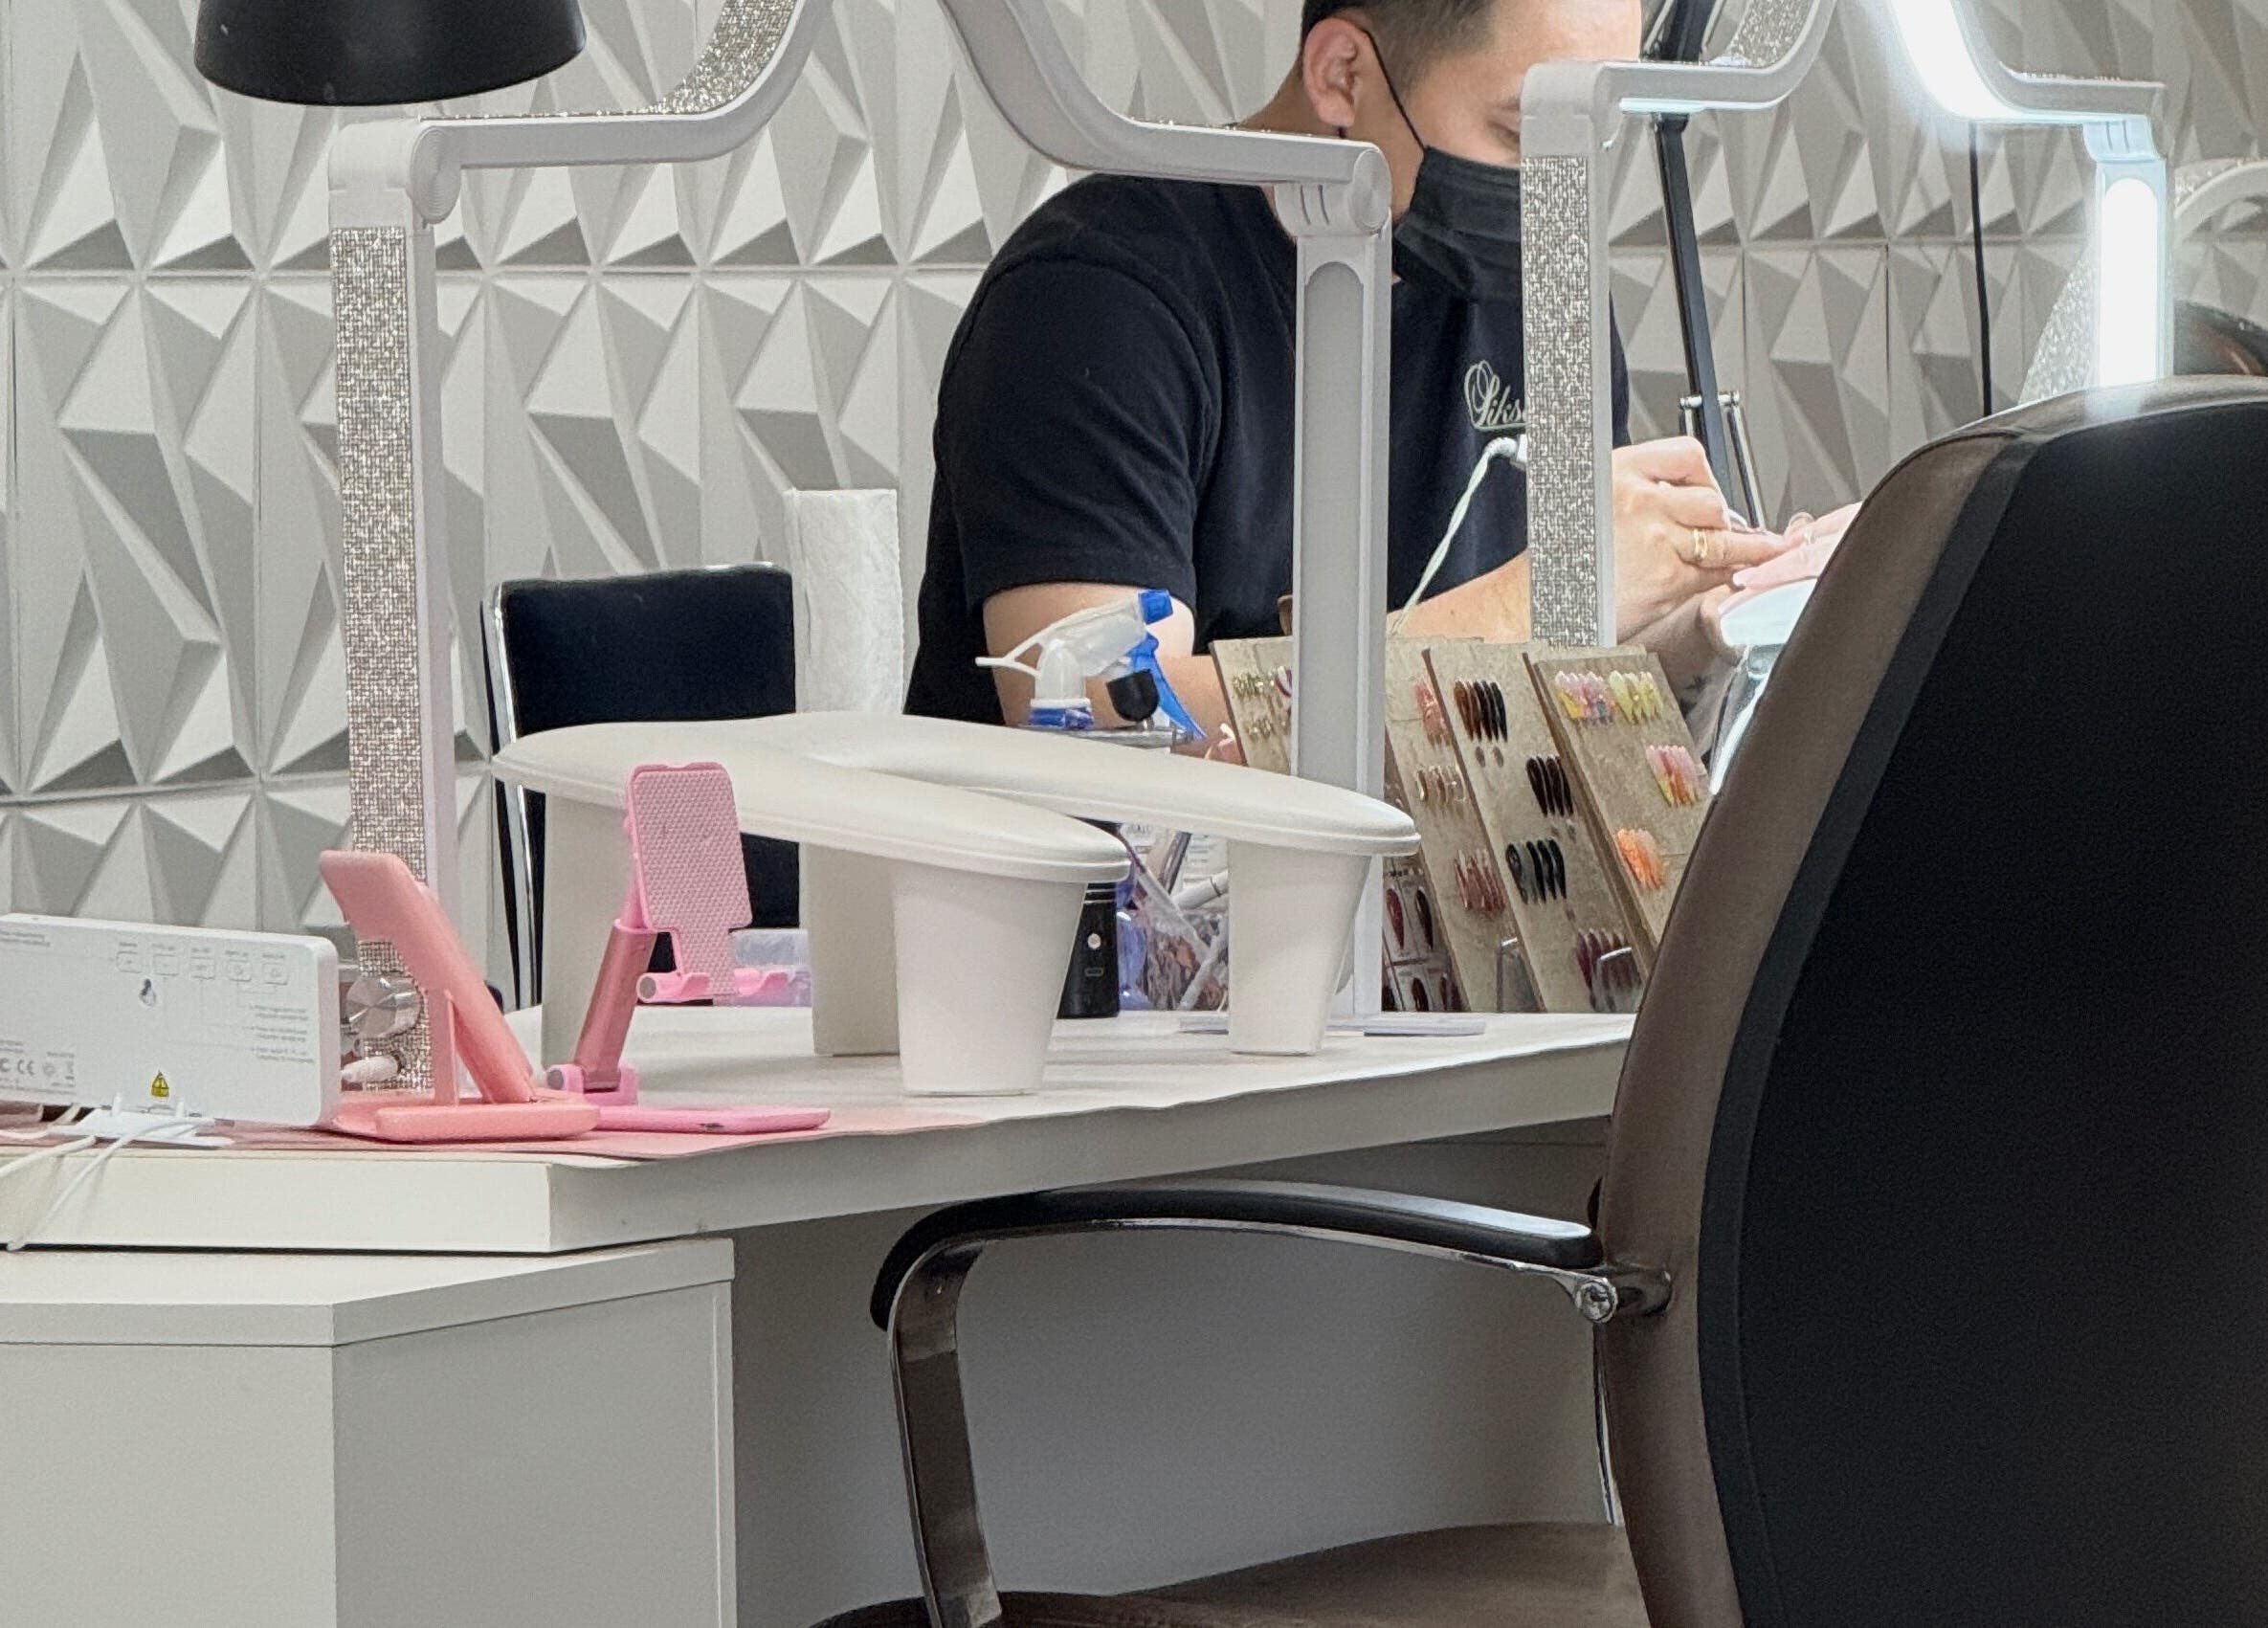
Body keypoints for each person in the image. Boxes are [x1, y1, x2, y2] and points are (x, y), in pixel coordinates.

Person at [904, 0, 1795, 736]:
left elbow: (1554, 680)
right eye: (1524, 130)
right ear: (1343, 76)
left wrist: (1711, 628)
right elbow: (1110, 723)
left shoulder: (1537, 291)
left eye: (1591, 137)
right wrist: (1548, 593)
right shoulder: (1097, 301)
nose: (1560, 188)